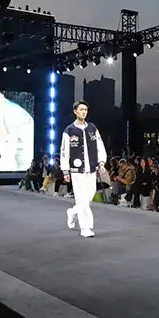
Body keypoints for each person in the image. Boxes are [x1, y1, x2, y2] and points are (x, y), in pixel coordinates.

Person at [60, 100, 107, 238]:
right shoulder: (69, 130)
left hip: (91, 168)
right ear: (75, 111)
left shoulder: (92, 128)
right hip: (77, 170)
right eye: (81, 109)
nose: (84, 112)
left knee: (89, 197)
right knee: (81, 199)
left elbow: (100, 146)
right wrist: (65, 170)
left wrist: (102, 162)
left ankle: (73, 212)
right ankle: (86, 228)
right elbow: (64, 151)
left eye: (85, 110)